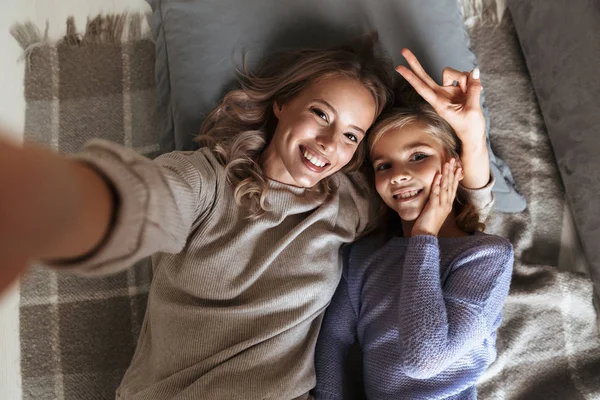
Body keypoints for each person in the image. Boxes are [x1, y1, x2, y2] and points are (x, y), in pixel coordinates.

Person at [0, 36, 494, 399]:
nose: (329, 144)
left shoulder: (350, 203)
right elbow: (137, 201)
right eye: (321, 114)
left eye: (351, 136)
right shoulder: (206, 182)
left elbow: (446, 210)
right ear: (282, 103)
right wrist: (58, 200)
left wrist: (471, 137)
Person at [312, 89, 514, 399]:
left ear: (454, 164)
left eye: (418, 156)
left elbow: (424, 360)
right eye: (384, 166)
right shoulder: (365, 256)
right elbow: (333, 338)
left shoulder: (486, 257)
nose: (399, 176)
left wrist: (424, 236)